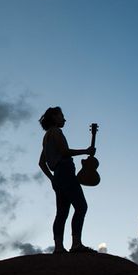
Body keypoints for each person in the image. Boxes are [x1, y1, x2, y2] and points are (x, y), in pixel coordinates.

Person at [38, 106, 96, 254]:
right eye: (61, 115)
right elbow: (64, 152)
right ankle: (76, 244)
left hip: (58, 175)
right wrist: (86, 151)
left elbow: (41, 163)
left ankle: (58, 247)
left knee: (62, 213)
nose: (64, 119)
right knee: (81, 207)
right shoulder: (57, 132)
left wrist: (52, 179)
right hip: (66, 172)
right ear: (54, 117)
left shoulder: (46, 137)